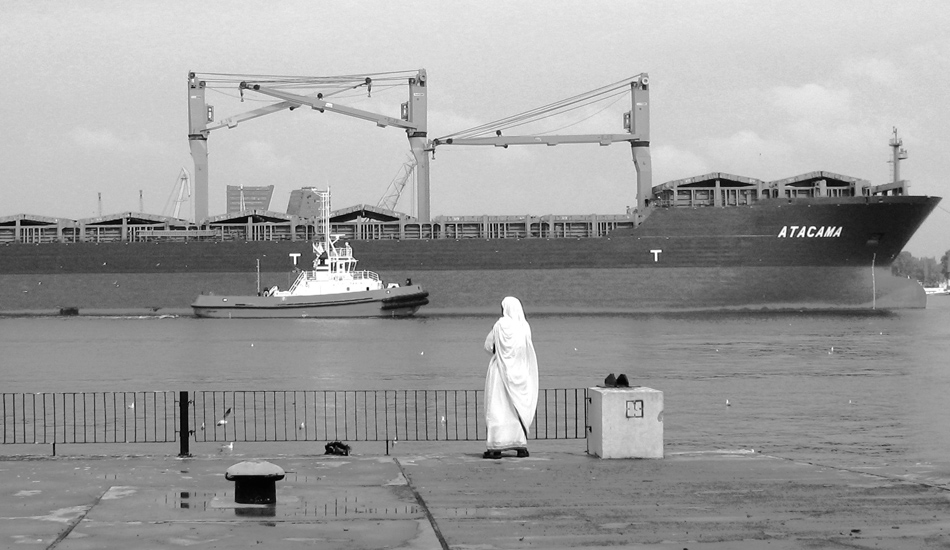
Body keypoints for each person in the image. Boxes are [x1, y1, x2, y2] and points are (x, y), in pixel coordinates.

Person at [482, 296, 539, 459]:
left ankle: (496, 447)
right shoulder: (524, 326)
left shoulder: (500, 325)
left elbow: (488, 346)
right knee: (517, 409)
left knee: (498, 408)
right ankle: (520, 446)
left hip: (500, 373)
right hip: (521, 373)